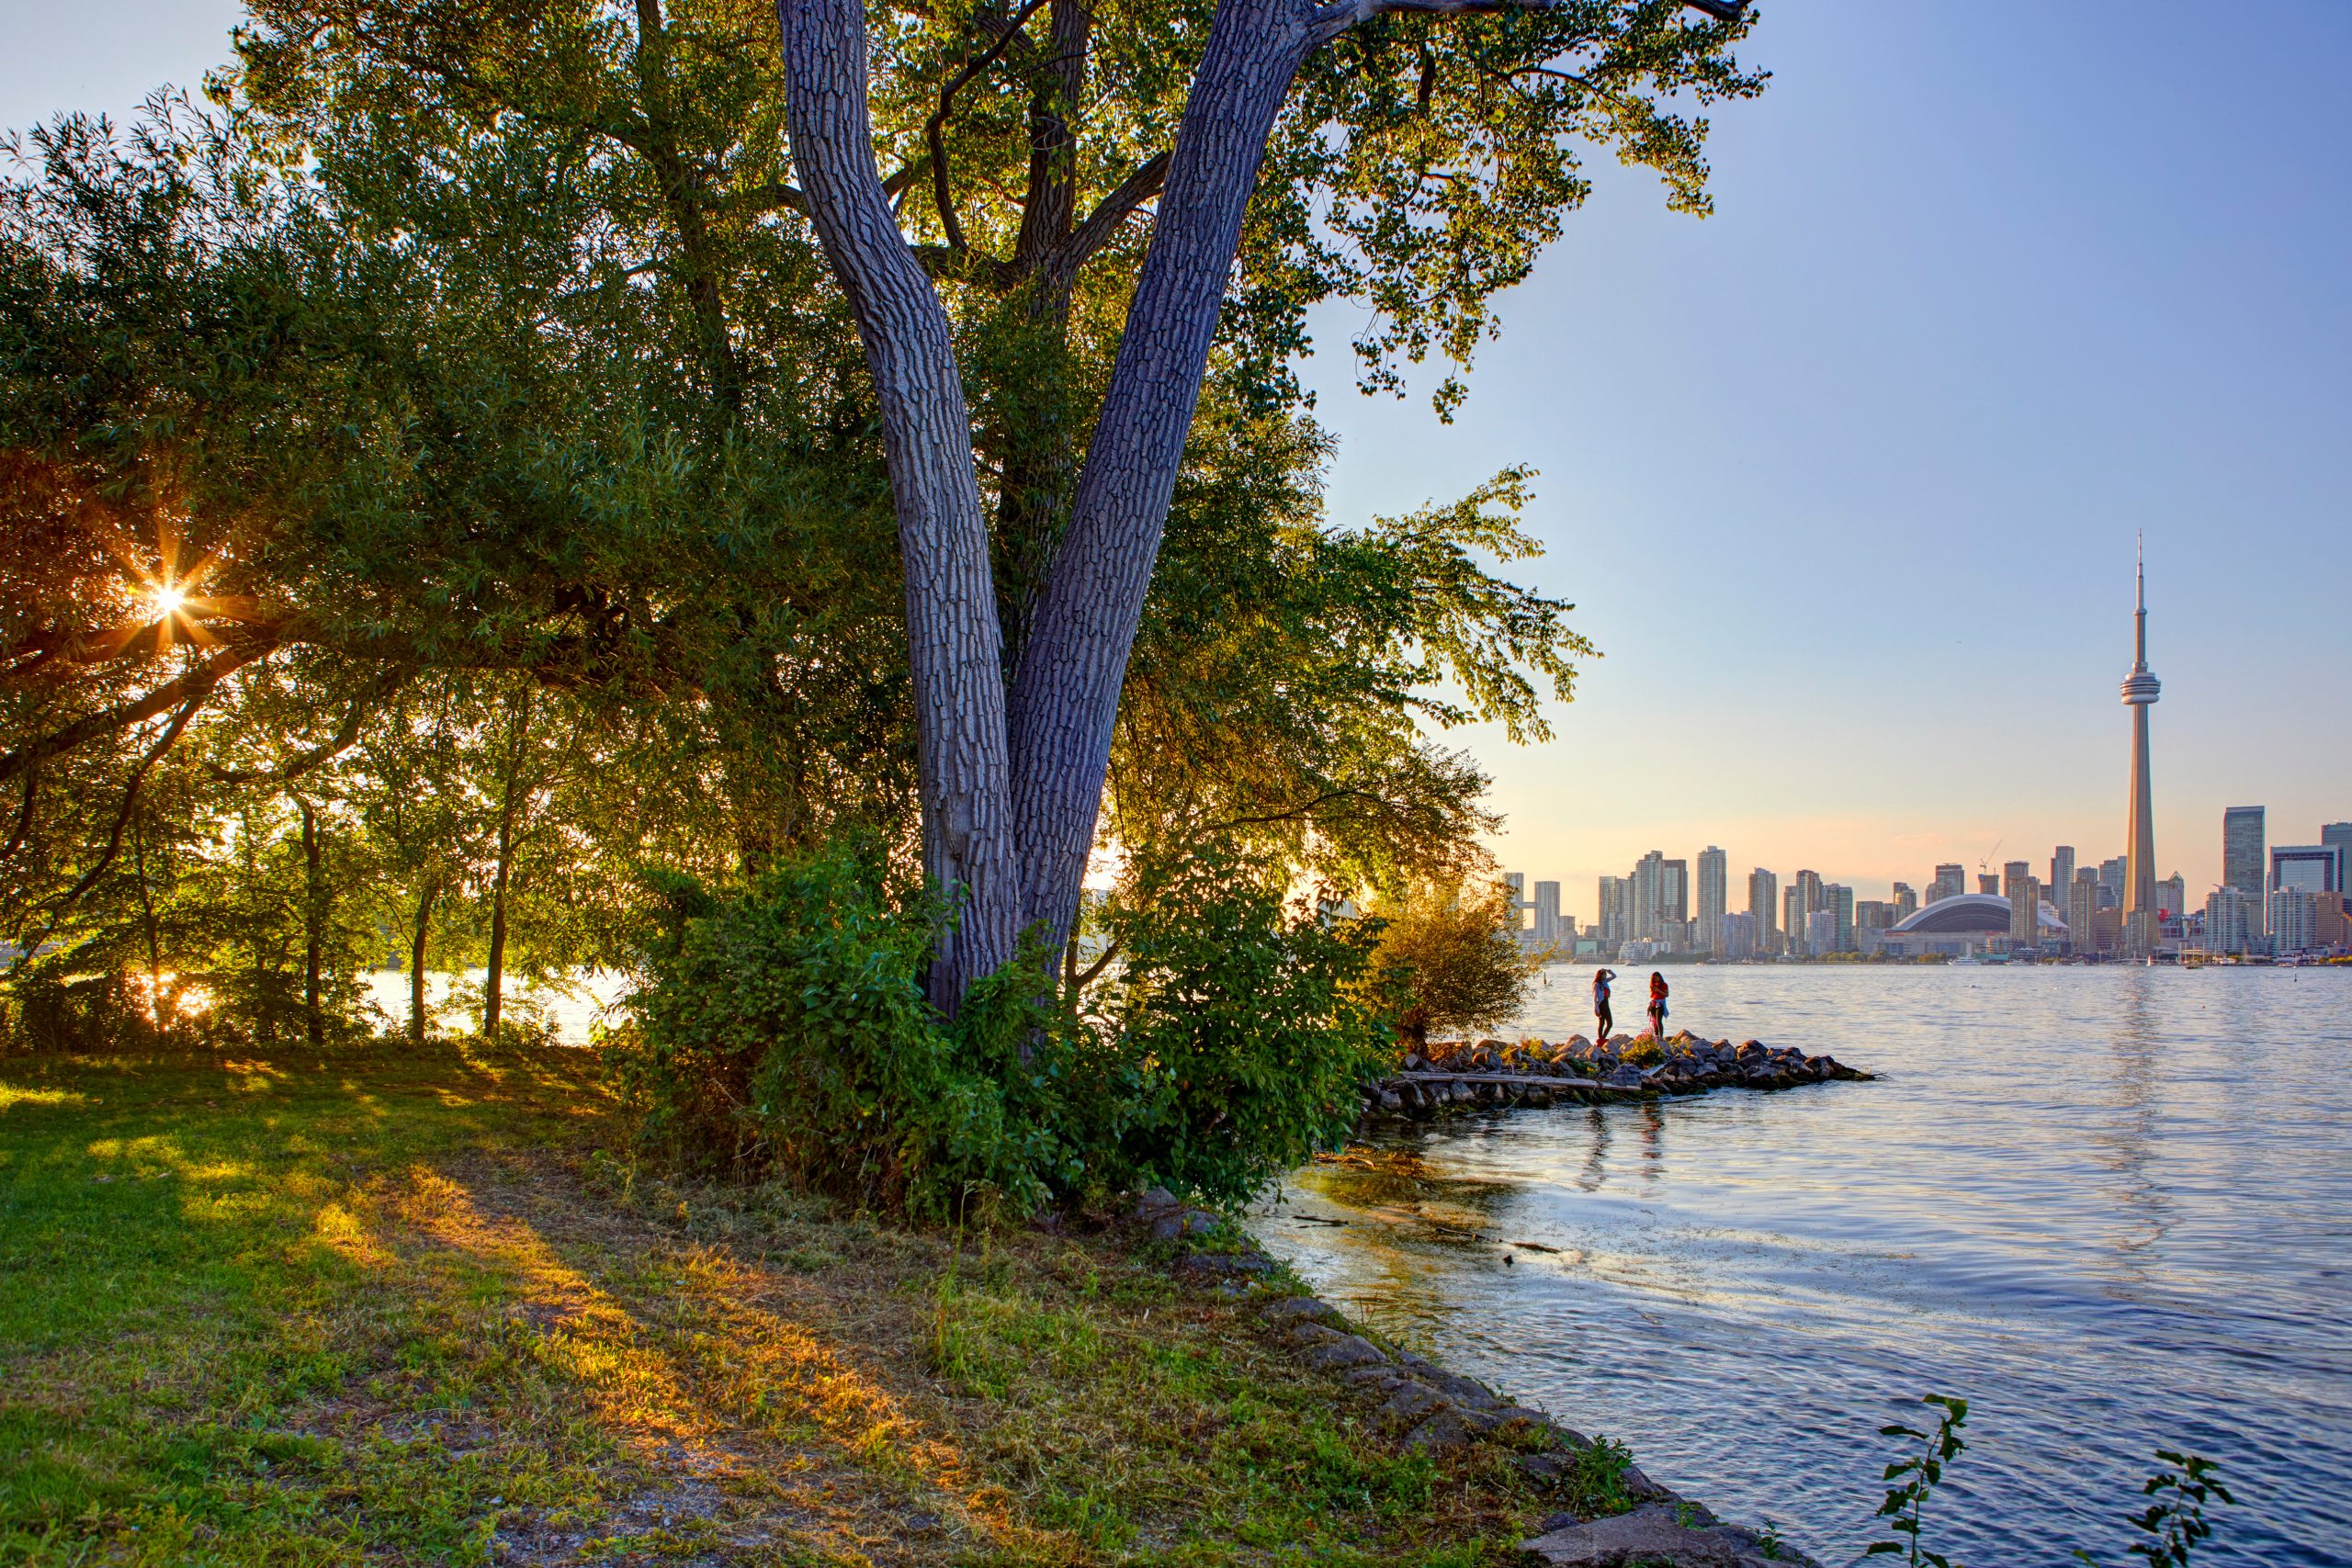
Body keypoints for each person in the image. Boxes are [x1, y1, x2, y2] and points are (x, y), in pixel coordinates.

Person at [1591, 967, 1616, 1043]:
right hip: (1601, 1004)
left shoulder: (1605, 981)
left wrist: (1609, 971)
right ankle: (1600, 1040)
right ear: (1599, 975)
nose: (1604, 975)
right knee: (1602, 1023)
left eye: (1605, 974)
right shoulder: (1596, 984)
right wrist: (1596, 1008)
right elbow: (1595, 997)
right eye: (1603, 974)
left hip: (1606, 1003)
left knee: (1610, 1024)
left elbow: (1614, 976)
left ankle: (1602, 1039)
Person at [1646, 970, 1669, 1041]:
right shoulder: (1652, 985)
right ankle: (1656, 1036)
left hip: (1660, 1003)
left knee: (1658, 1020)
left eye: (1657, 978)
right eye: (1654, 978)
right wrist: (1648, 1007)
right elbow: (1652, 996)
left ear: (1660, 977)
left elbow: (1666, 995)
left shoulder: (1664, 985)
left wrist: (1658, 990)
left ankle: (1661, 1036)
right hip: (1653, 1003)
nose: (1656, 979)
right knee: (1654, 1021)